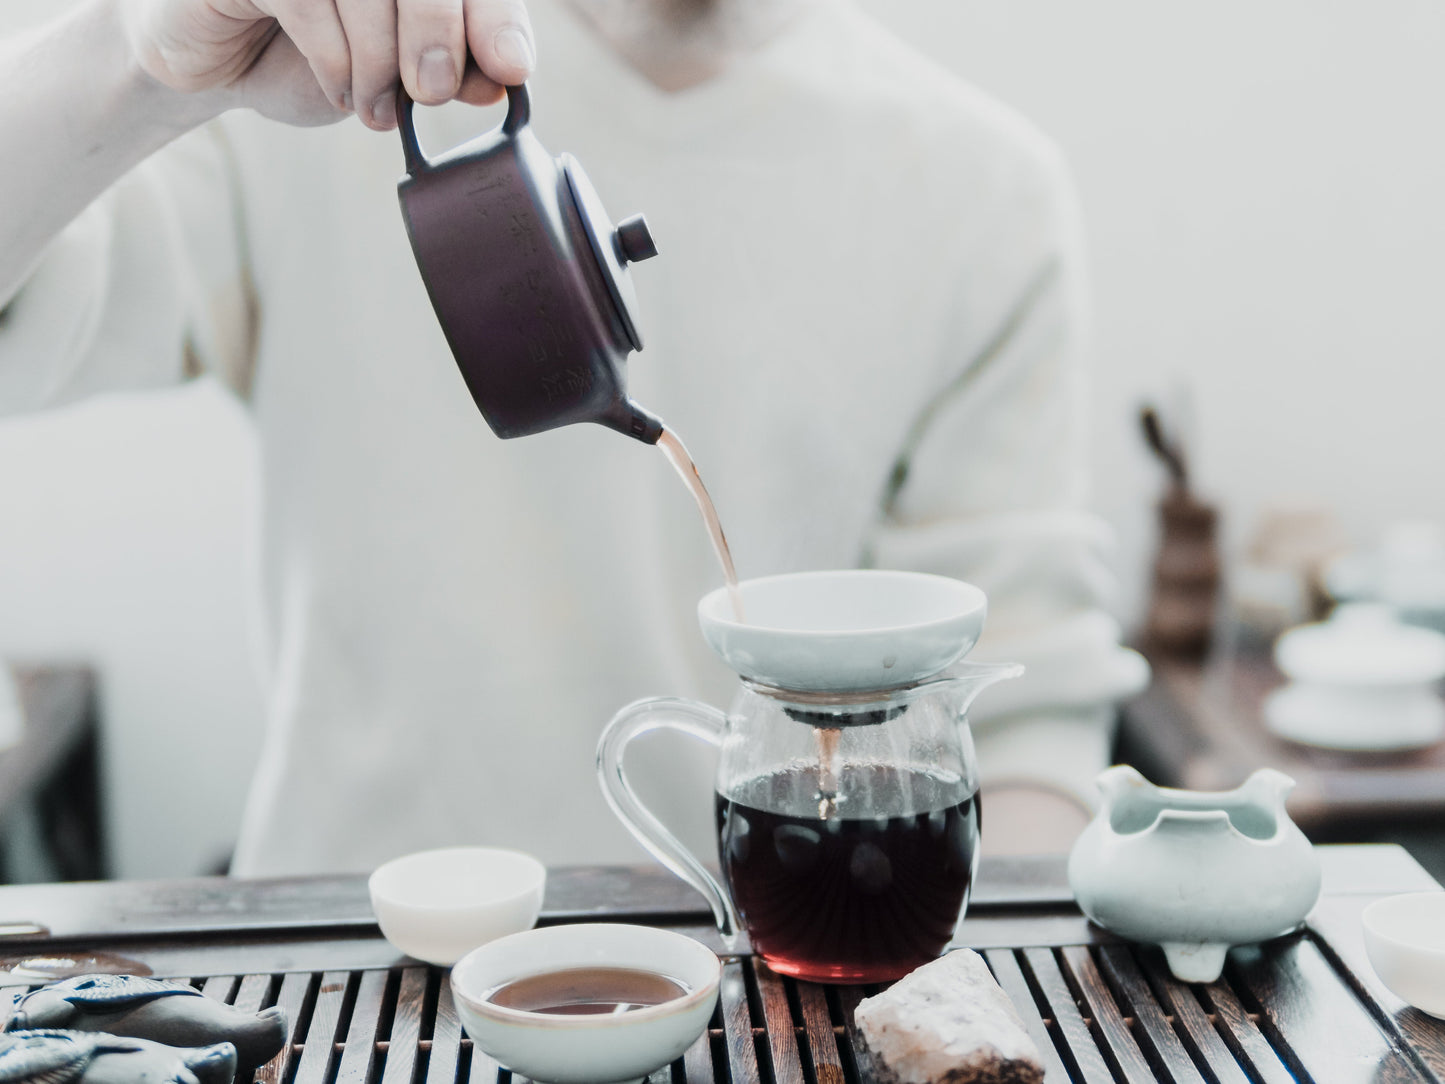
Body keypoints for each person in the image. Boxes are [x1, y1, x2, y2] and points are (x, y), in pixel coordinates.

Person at [0, 0, 1147, 875]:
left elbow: (1021, 722)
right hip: (358, 954)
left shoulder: (979, 189)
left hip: (757, 990)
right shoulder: (327, 73)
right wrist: (135, 63)